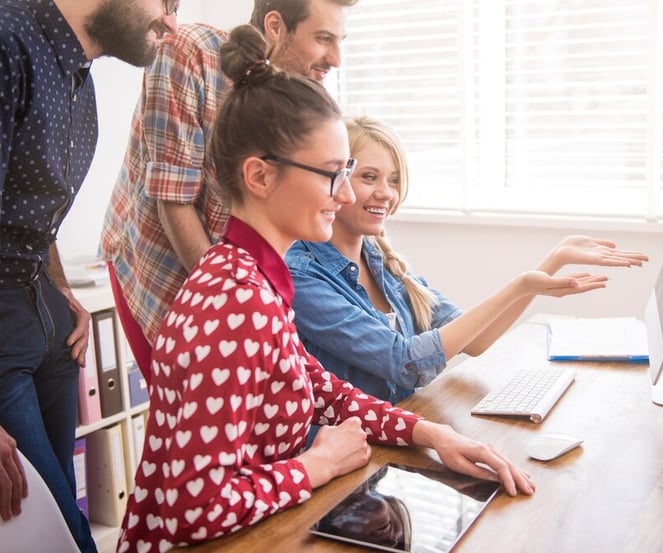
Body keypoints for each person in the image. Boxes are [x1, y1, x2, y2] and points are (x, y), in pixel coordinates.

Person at [118, 25, 535, 552]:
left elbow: (320, 389)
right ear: (260, 177)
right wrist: (315, 465)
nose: (344, 195)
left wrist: (432, 434)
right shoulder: (235, 299)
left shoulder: (254, 276)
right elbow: (191, 508)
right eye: (332, 174)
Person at [286, 116, 650, 403]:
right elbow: (406, 363)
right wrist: (521, 284)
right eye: (369, 177)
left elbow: (474, 340)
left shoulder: (381, 259)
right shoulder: (302, 275)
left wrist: (551, 262)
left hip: (400, 436)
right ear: (339, 179)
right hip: (349, 456)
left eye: (394, 180)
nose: (386, 193)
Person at [99, 0, 357, 383]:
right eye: (323, 39)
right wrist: (230, 304)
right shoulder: (190, 53)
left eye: (340, 41)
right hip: (160, 264)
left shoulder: (294, 95)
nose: (335, 58)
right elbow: (174, 199)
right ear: (275, 25)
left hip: (234, 277)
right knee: (195, 414)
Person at [0, 0, 178, 549]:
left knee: (36, 532)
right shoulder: (7, 38)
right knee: (63, 536)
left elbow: (29, 209)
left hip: (46, 318)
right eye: (165, 1)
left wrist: (63, 289)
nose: (170, 21)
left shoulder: (82, 83)